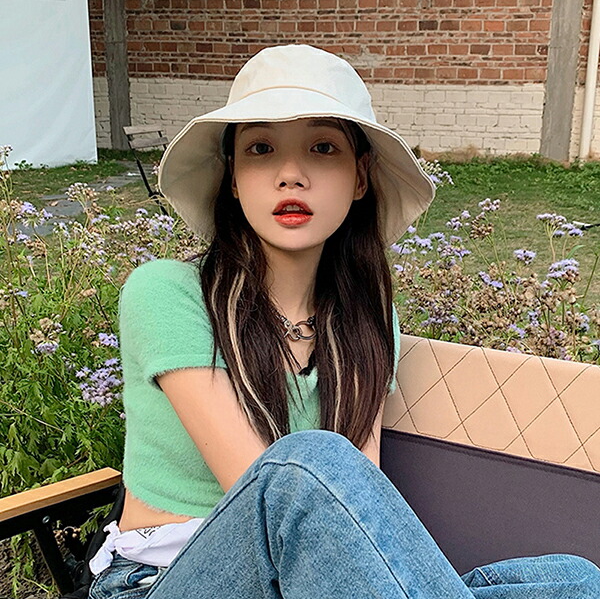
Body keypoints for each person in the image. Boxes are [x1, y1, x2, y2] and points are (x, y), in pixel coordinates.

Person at [87, 44, 600, 598]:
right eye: (260, 149)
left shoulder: (365, 318)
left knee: (575, 581)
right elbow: (268, 493)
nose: (290, 175)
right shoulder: (167, 292)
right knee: (307, 464)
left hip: (317, 577)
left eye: (322, 148)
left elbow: (362, 496)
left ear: (359, 178)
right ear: (233, 178)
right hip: (164, 579)